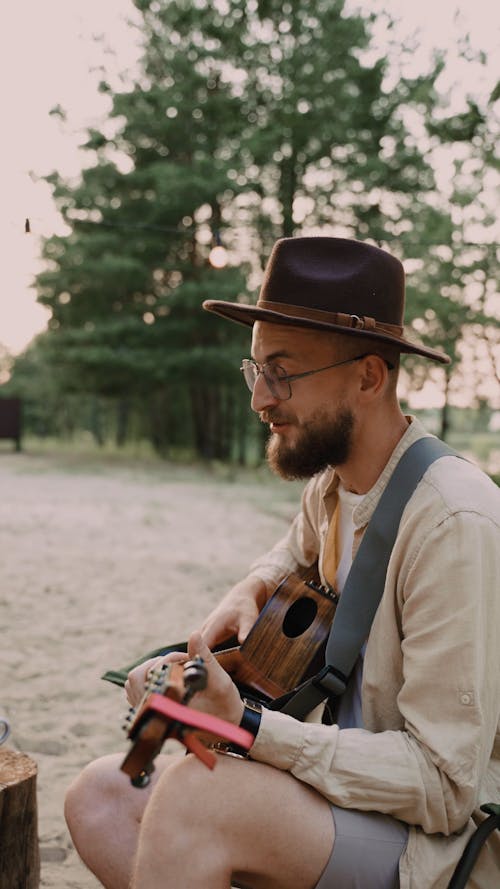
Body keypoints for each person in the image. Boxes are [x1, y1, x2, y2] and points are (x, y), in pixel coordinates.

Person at [65, 237, 500, 889]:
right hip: (338, 789)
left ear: (369, 376)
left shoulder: (453, 521)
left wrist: (244, 724)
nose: (259, 400)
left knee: (196, 798)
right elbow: (287, 553)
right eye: (256, 371)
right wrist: (250, 589)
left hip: (433, 839)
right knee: (100, 794)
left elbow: (444, 785)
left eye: (283, 372)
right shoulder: (332, 487)